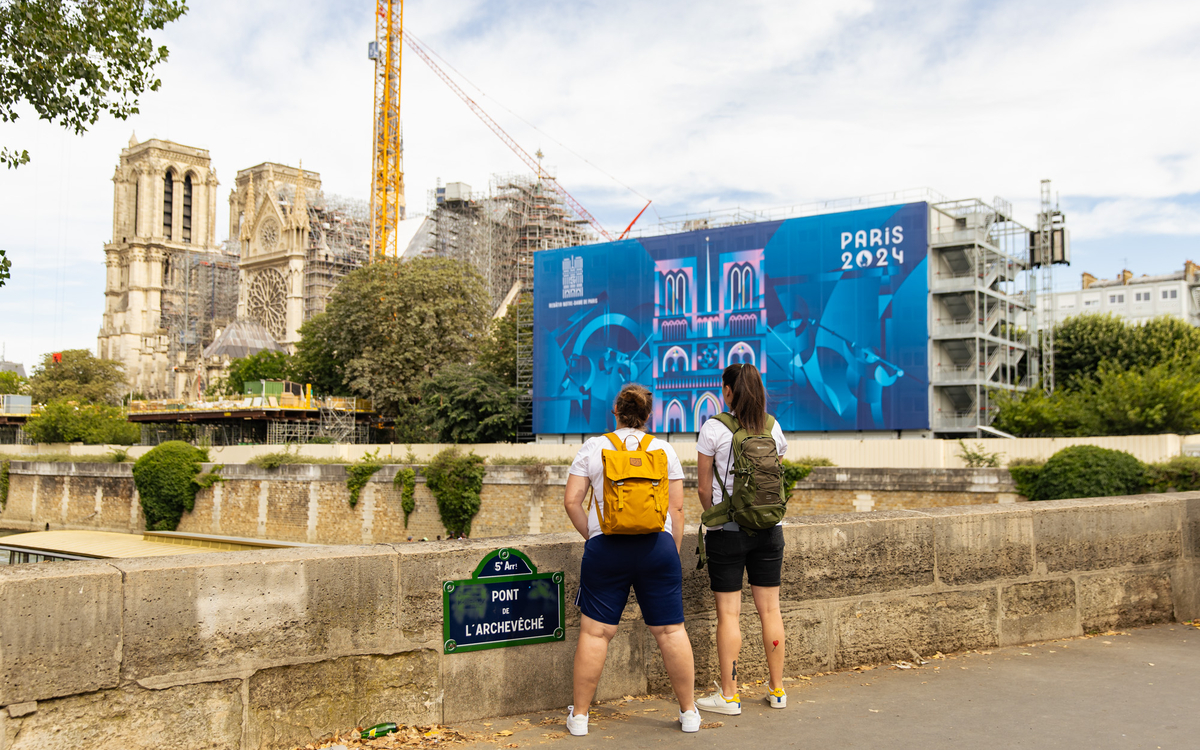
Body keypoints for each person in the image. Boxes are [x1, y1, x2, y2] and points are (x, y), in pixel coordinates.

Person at [562, 384, 700, 735]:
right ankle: (689, 713)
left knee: (596, 633)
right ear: (648, 415)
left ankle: (580, 718)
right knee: (671, 631)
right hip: (658, 547)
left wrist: (593, 536)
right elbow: (678, 509)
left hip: (606, 547)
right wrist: (670, 547)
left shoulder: (594, 447)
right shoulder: (664, 449)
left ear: (616, 411)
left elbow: (572, 501)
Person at [694, 363, 789, 715]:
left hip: (729, 533)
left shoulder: (714, 428)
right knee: (770, 610)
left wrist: (719, 515)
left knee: (729, 615)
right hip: (770, 530)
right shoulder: (772, 426)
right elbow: (773, 478)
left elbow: (704, 488)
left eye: (724, 388)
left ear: (729, 391)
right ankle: (777, 690)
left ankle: (730, 695)